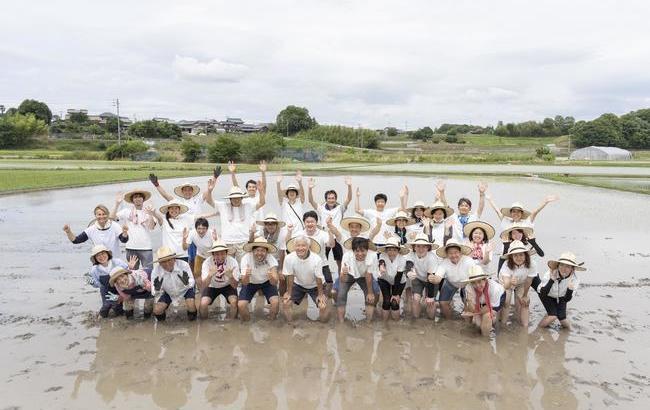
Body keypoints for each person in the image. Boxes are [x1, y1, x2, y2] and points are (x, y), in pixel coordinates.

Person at [148, 168, 220, 267]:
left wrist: (215, 177)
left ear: (192, 191)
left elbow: (209, 190)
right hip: (186, 233)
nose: (187, 192)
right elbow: (165, 195)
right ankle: (191, 276)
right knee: (190, 258)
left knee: (202, 256)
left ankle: (202, 274)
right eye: (185, 190)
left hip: (198, 232)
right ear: (182, 192)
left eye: (189, 190)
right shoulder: (178, 203)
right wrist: (156, 184)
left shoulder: (197, 200)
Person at [307, 175, 353, 272]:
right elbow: (311, 201)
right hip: (325, 237)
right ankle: (322, 275)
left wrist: (349, 186)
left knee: (339, 259)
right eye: (329, 198)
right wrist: (310, 188)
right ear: (326, 199)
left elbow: (348, 199)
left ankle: (341, 276)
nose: (331, 200)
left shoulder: (340, 208)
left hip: (338, 237)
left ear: (335, 199)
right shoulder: (321, 208)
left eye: (333, 198)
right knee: (323, 258)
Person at [212, 184, 266, 261]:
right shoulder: (223, 206)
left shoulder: (248, 206)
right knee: (228, 266)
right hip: (228, 241)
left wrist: (261, 191)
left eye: (238, 198)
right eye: (233, 198)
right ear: (230, 199)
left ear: (241, 198)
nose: (236, 200)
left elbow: (262, 203)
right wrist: (210, 190)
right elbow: (209, 201)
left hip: (243, 241)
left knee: (243, 266)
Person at [282, 236, 329, 322]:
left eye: (303, 245)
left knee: (322, 306)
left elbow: (319, 278)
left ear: (308, 247)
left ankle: (323, 326)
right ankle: (290, 324)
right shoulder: (289, 258)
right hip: (298, 284)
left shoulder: (316, 259)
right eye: (298, 245)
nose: (300, 248)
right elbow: (290, 276)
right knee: (286, 303)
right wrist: (288, 292)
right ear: (294, 247)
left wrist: (320, 294)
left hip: (315, 286)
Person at [535, 252, 586, 330]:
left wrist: (570, 289)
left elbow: (566, 299)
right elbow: (543, 292)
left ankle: (568, 332)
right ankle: (539, 329)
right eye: (561, 265)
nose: (564, 268)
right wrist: (551, 280)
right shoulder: (550, 273)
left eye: (568, 266)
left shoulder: (575, 279)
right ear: (558, 266)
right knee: (553, 316)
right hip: (545, 294)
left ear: (572, 269)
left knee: (562, 318)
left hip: (562, 296)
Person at [111, 189, 156, 273]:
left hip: (146, 248)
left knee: (149, 273)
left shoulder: (149, 211)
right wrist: (117, 204)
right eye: (135, 197)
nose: (138, 199)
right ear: (132, 200)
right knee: (132, 274)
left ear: (143, 199)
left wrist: (150, 214)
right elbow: (112, 218)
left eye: (140, 197)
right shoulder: (126, 212)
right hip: (131, 247)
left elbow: (151, 227)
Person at [84, 245, 135, 318]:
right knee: (106, 306)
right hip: (106, 290)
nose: (101, 257)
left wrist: (130, 268)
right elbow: (98, 284)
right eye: (98, 255)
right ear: (95, 258)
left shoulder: (117, 262)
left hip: (119, 288)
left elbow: (127, 274)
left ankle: (120, 316)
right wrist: (92, 282)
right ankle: (101, 318)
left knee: (118, 307)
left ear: (107, 253)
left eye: (103, 253)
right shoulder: (94, 270)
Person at [237, 237, 280, 321]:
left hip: (267, 282)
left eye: (263, 251)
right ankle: (247, 324)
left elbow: (275, 282)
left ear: (267, 252)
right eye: (257, 250)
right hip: (250, 283)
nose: (259, 253)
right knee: (241, 305)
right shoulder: (246, 258)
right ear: (252, 251)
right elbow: (244, 283)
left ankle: (272, 323)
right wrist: (246, 275)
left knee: (275, 303)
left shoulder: (271, 258)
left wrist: (271, 277)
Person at [430, 240, 474, 319]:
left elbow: (475, 276)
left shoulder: (468, 261)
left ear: (460, 252)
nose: (453, 255)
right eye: (450, 253)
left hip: (467, 283)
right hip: (451, 282)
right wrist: (433, 279)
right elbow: (438, 278)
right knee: (443, 303)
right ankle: (449, 322)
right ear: (447, 254)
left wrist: (471, 294)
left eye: (456, 252)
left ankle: (468, 322)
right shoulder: (444, 262)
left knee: (468, 302)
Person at [63, 204, 128, 258]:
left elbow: (124, 240)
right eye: (99, 214)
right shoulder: (91, 229)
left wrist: (125, 233)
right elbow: (76, 240)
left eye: (104, 214)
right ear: (95, 215)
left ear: (108, 215)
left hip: (115, 260)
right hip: (100, 261)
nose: (102, 216)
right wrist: (68, 231)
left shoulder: (115, 226)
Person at [336, 237, 377, 323]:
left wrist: (370, 293)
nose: (360, 254)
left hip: (364, 276)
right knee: (341, 295)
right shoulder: (347, 256)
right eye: (357, 251)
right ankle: (341, 322)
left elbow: (368, 275)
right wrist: (344, 273)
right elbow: (342, 280)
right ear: (353, 251)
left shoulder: (372, 255)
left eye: (363, 251)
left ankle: (368, 322)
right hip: (350, 275)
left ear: (367, 250)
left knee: (371, 296)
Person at [150, 247, 197, 321]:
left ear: (174, 259)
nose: (167, 263)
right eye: (163, 261)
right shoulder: (156, 271)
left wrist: (187, 282)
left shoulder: (184, 265)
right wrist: (157, 289)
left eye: (169, 260)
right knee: (157, 310)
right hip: (168, 292)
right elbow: (153, 292)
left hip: (185, 289)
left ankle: (192, 322)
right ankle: (162, 324)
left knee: (191, 305)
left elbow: (192, 281)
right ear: (159, 263)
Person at [498, 240, 537, 327]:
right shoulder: (506, 264)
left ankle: (524, 326)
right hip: (506, 283)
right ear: (511, 257)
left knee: (524, 302)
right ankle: (503, 323)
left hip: (522, 283)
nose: (519, 258)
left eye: (521, 255)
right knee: (506, 301)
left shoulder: (532, 264)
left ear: (525, 255)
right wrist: (510, 282)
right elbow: (506, 285)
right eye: (515, 255)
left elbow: (529, 280)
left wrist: (525, 295)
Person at [461, 265, 506, 337]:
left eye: (479, 281)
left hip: (499, 297)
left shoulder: (495, 288)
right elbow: (472, 309)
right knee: (478, 323)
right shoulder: (469, 287)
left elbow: (489, 308)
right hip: (482, 299)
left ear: (485, 279)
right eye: (473, 283)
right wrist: (469, 300)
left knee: (488, 316)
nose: (477, 285)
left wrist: (475, 313)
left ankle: (485, 339)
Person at [199, 240, 239, 320]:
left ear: (226, 253)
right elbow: (204, 285)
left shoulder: (233, 262)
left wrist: (231, 276)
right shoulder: (207, 263)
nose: (220, 257)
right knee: (203, 304)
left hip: (228, 285)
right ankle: (204, 324)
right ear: (212, 255)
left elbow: (235, 285)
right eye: (217, 254)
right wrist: (210, 275)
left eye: (222, 253)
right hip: (211, 286)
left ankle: (232, 323)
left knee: (234, 302)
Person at [404, 233, 440, 320]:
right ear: (414, 247)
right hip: (418, 279)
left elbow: (431, 277)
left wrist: (430, 296)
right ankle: (416, 321)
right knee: (416, 299)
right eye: (418, 246)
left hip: (431, 279)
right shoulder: (411, 255)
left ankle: (431, 322)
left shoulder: (432, 258)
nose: (420, 249)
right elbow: (409, 264)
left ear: (428, 247)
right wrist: (408, 272)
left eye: (424, 246)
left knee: (430, 301)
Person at [377, 237, 410, 321]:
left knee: (395, 302)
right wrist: (381, 266)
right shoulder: (382, 255)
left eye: (394, 250)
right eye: (389, 250)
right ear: (386, 250)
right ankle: (385, 323)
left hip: (399, 281)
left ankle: (396, 325)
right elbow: (381, 262)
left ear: (398, 250)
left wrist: (395, 294)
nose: (392, 252)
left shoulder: (402, 259)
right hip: (384, 279)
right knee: (387, 301)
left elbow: (398, 277)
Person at [301, 211, 335, 285]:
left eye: (312, 222)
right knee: (302, 285)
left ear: (316, 222)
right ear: (304, 223)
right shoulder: (300, 234)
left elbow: (331, 245)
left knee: (329, 284)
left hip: (322, 264)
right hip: (304, 264)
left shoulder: (323, 234)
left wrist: (330, 232)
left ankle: (325, 296)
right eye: (307, 222)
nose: (310, 224)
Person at [182, 218, 217, 284]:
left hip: (212, 256)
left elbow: (217, 248)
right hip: (200, 254)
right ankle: (202, 291)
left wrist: (216, 240)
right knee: (196, 273)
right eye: (199, 228)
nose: (201, 231)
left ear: (207, 228)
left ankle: (213, 289)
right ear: (196, 228)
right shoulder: (192, 233)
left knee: (213, 274)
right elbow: (185, 248)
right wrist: (184, 239)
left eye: (203, 228)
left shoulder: (211, 233)